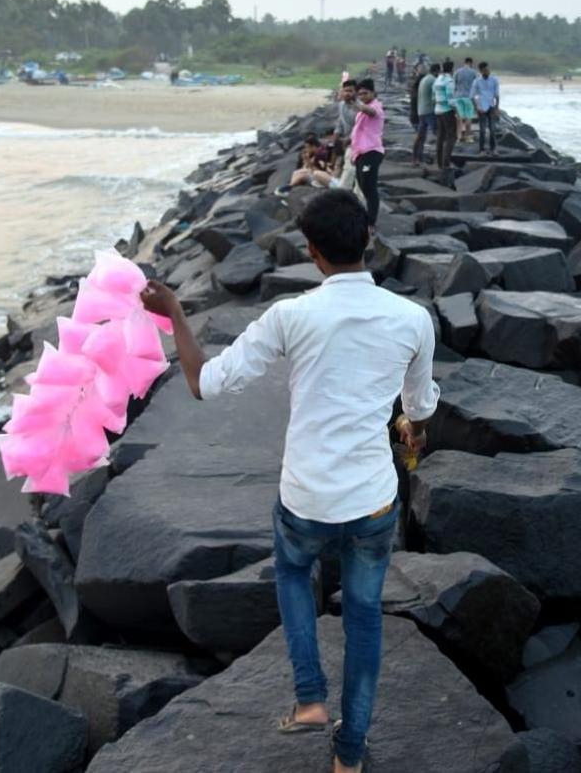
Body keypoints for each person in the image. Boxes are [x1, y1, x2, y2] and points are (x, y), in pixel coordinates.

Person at [140, 189, 437, 773]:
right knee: (364, 619)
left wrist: (174, 312)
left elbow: (205, 384)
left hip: (304, 497)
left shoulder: (291, 316)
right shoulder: (412, 320)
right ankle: (348, 757)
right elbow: (419, 408)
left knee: (294, 575)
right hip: (373, 500)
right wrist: (410, 432)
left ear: (312, 253)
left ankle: (308, 699)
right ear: (369, 242)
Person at [346, 77, 386, 225]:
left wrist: (355, 100)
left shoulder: (376, 108)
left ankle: (371, 223)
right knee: (363, 186)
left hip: (372, 152)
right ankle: (366, 217)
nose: (362, 96)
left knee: (370, 188)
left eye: (365, 93)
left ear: (373, 93)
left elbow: (368, 110)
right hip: (360, 153)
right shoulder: (360, 111)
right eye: (360, 94)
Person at [411, 61, 437, 164]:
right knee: (423, 136)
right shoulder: (419, 91)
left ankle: (417, 158)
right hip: (420, 114)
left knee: (421, 137)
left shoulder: (416, 89)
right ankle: (418, 158)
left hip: (418, 114)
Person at [432, 60, 457, 169]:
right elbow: (450, 99)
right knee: (451, 137)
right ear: (452, 69)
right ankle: (446, 163)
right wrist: (457, 111)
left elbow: (433, 95)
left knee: (440, 137)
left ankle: (439, 162)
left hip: (438, 110)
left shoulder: (438, 79)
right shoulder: (449, 81)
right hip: (447, 111)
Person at [472, 61, 500, 154]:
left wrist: (497, 108)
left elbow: (497, 95)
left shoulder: (494, 80)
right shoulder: (477, 81)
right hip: (481, 107)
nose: (488, 71)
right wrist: (476, 108)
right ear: (481, 71)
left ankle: (493, 149)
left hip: (491, 106)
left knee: (492, 129)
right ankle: (482, 149)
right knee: (482, 130)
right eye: (485, 70)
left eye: (488, 69)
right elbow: (472, 96)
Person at [452, 57, 478, 144]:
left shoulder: (457, 72)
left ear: (464, 62)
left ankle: (459, 137)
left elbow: (454, 85)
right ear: (471, 63)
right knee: (468, 117)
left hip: (458, 97)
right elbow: (476, 86)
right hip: (468, 97)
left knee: (459, 118)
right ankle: (468, 137)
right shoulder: (473, 72)